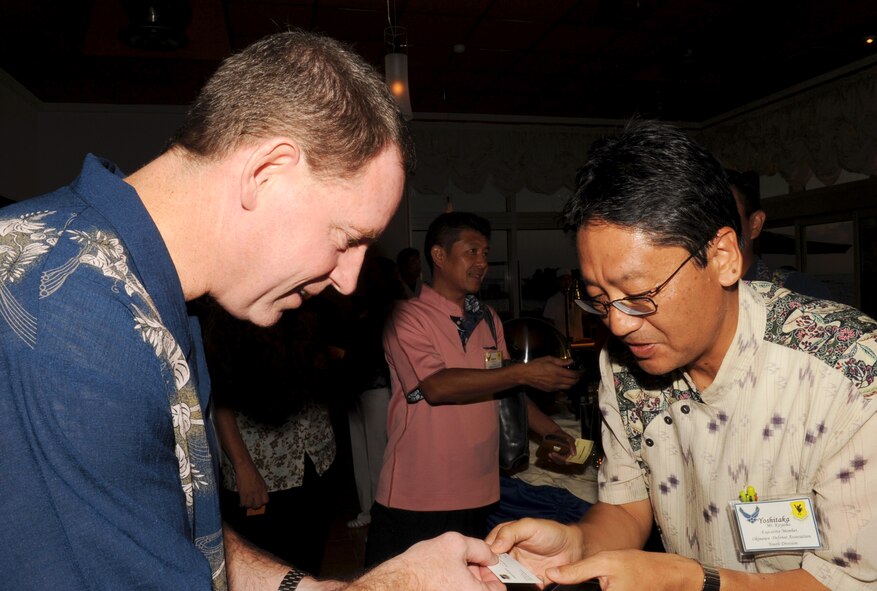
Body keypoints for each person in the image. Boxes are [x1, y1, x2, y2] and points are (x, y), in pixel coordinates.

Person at [0, 29, 507, 591]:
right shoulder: (72, 312)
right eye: (345, 239)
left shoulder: (149, 294)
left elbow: (177, 528)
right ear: (267, 173)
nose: (348, 279)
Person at [488, 121, 877, 591]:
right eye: (598, 297)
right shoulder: (625, 363)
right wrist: (580, 542)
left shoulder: (849, 369)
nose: (618, 323)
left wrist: (693, 581)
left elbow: (850, 581)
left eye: (638, 294)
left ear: (723, 257)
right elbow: (627, 504)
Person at [365, 211, 583, 566]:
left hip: (478, 488)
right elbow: (437, 386)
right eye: (472, 251)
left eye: (485, 253)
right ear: (439, 255)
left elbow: (504, 390)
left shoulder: (489, 319)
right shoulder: (407, 316)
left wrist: (551, 431)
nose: (482, 262)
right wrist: (523, 374)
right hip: (419, 493)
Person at [201, 300, 338, 574]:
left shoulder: (304, 309)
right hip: (264, 470)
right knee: (267, 565)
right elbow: (220, 403)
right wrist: (243, 468)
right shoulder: (231, 314)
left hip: (317, 457)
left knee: (308, 561)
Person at [345, 254, 404, 529]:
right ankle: (368, 510)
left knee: (378, 452)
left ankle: (380, 513)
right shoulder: (356, 303)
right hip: (355, 384)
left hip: (378, 384)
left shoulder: (389, 307)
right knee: (362, 452)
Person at [725, 168, 832, 299]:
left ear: (755, 225)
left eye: (723, 216)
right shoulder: (696, 294)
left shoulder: (802, 293)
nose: (707, 229)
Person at [542, 268, 585, 341]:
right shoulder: (552, 301)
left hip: (578, 341)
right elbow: (549, 324)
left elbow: (585, 316)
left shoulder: (578, 298)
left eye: (569, 279)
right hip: (561, 341)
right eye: (563, 279)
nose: (567, 282)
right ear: (558, 282)